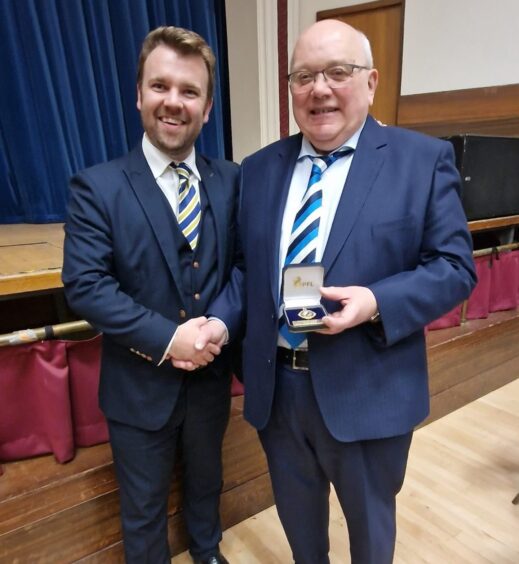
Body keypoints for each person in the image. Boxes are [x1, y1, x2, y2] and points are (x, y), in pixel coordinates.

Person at [190, 19, 477, 564]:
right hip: (277, 394)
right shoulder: (257, 170)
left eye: (337, 72)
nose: (319, 88)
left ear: (369, 82)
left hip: (367, 389)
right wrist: (222, 322)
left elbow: (454, 268)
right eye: (304, 76)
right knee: (302, 538)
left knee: (371, 541)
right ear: (292, 90)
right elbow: (250, 271)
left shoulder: (422, 160)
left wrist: (376, 302)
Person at [62, 26, 237, 564]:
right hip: (138, 391)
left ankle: (207, 554)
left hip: (211, 384)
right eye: (160, 86)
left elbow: (245, 271)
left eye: (190, 91)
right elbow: (87, 286)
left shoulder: (233, 180)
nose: (173, 102)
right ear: (138, 95)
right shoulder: (97, 187)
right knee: (142, 514)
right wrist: (169, 340)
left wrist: (221, 325)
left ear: (207, 108)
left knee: (207, 491)